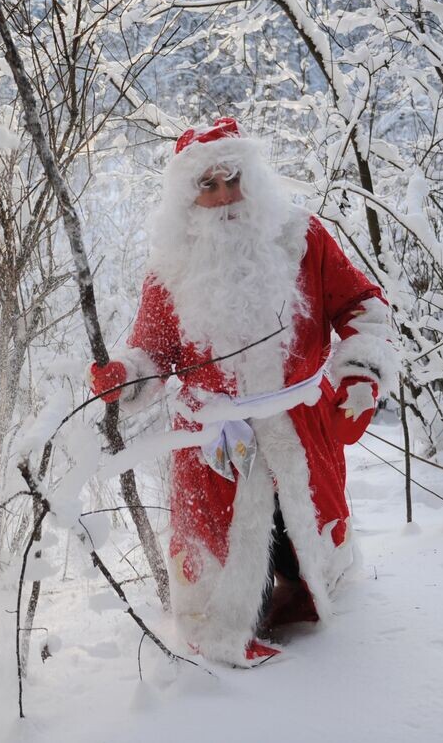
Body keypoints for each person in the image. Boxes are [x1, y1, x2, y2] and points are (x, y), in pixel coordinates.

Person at [89, 117, 395, 667]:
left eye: (233, 180)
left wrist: (360, 374)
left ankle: (309, 598)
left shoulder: (302, 237)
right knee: (222, 554)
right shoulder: (170, 267)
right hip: (212, 439)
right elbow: (153, 353)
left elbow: (364, 307)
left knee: (302, 535)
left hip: (300, 424)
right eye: (208, 186)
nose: (225, 196)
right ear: (188, 196)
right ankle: (227, 632)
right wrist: (125, 376)